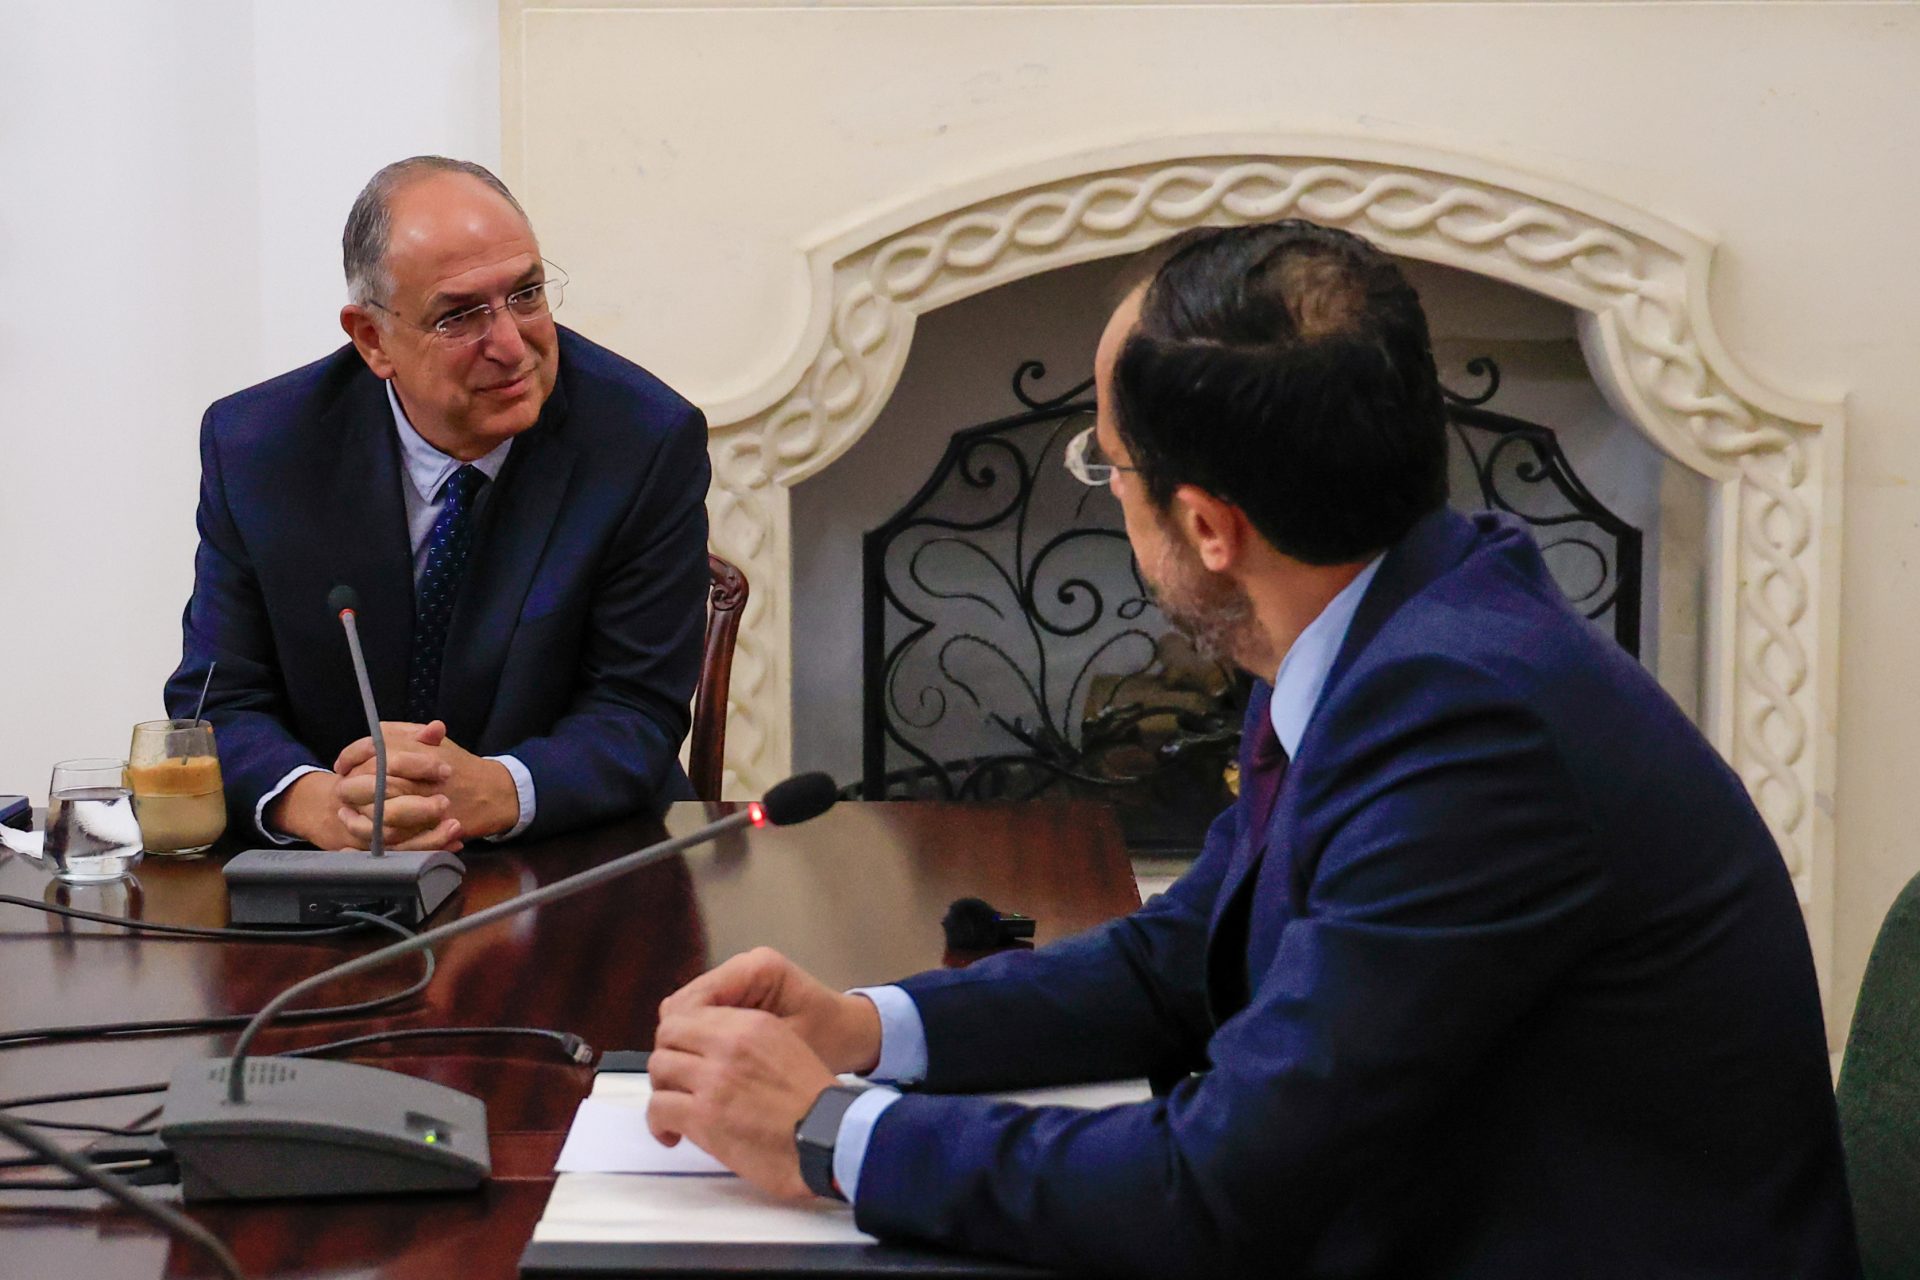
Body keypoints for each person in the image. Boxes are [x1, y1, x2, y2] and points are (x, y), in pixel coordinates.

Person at [642, 222, 1861, 1278]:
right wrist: (869, 1027)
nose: (1109, 491)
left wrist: (831, 1133)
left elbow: (1224, 1189)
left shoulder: (1467, 724)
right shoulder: (1398, 623)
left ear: (1211, 527)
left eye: (1108, 463)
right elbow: (1189, 952)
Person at [164, 157, 710, 850]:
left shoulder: (642, 439)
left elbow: (636, 708)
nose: (510, 345)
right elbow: (216, 699)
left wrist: (497, 790)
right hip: (335, 871)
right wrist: (318, 804)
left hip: (574, 856)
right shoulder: (261, 447)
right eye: (459, 316)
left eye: (527, 294)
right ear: (372, 339)